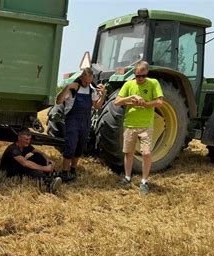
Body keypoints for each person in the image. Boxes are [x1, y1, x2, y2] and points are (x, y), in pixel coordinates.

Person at [114, 61, 164, 195]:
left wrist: (146, 104)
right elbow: (117, 102)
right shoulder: (128, 84)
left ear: (147, 73)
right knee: (128, 152)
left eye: (142, 76)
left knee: (146, 153)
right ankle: (127, 177)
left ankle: (144, 182)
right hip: (130, 124)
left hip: (146, 125)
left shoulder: (153, 83)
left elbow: (160, 101)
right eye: (137, 76)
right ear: (134, 74)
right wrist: (131, 98)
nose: (140, 79)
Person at [56, 67, 106, 182]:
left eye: (89, 82)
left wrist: (103, 94)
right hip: (72, 120)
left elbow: (97, 106)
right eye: (85, 81)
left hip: (85, 121)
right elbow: (58, 101)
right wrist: (67, 87)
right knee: (70, 145)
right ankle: (64, 172)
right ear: (81, 78)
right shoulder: (72, 89)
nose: (87, 84)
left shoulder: (91, 91)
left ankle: (73, 169)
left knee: (80, 146)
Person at [0, 129, 62, 193]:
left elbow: (40, 153)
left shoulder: (25, 145)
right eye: (26, 139)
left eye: (29, 139)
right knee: (30, 169)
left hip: (19, 165)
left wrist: (47, 159)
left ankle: (52, 174)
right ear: (19, 138)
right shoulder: (13, 149)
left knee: (38, 156)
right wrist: (44, 168)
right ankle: (49, 184)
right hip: (10, 171)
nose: (28, 142)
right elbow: (25, 163)